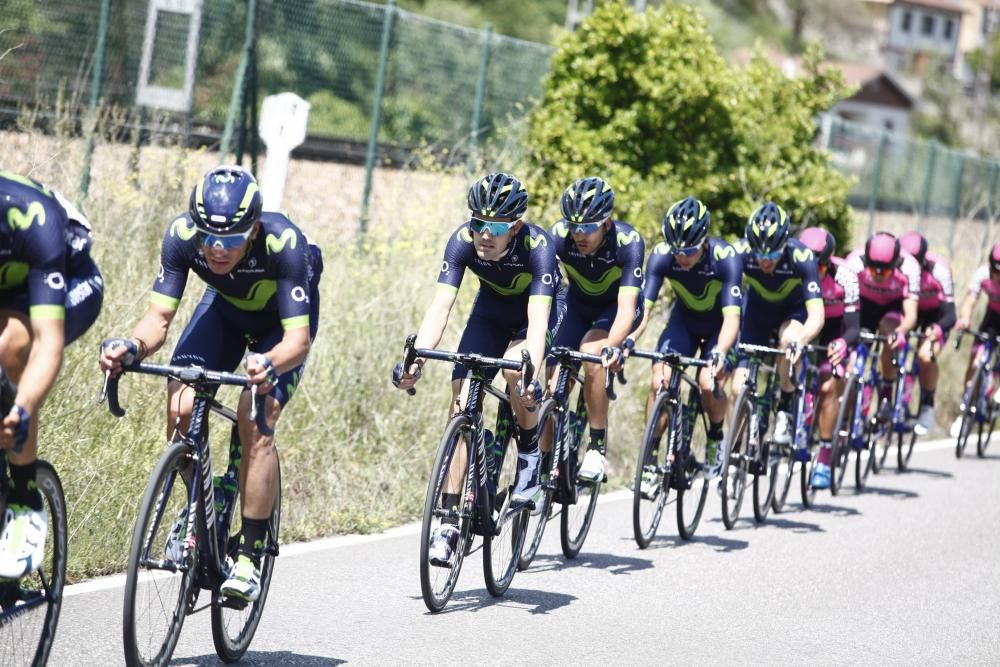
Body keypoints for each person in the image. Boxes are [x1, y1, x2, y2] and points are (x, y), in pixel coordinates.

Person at [99, 165, 322, 603]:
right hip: (223, 311)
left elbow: (298, 340)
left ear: (253, 229)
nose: (218, 249)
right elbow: (158, 319)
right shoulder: (182, 237)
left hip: (281, 326)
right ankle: (200, 507)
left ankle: (250, 556)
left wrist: (268, 363)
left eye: (232, 240)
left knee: (255, 422)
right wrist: (132, 347)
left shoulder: (285, 244)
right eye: (209, 237)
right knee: (182, 403)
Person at [394, 172, 564, 566]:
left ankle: (528, 461)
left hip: (536, 314)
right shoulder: (462, 242)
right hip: (490, 313)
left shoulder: (538, 247)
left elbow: (538, 323)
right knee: (460, 406)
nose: (484, 234)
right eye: (478, 223)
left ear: (515, 226)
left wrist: (532, 373)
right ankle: (450, 522)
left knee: (515, 374)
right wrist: (417, 356)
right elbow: (440, 307)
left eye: (496, 226)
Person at [0, 171, 104, 577]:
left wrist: (22, 408)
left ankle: (26, 501)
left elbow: (48, 343)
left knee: (13, 348)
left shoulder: (32, 217)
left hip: (69, 281)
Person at [630, 196, 741, 483]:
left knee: (708, 381)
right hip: (685, 322)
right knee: (660, 381)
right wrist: (629, 339)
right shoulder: (662, 255)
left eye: (689, 250)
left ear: (704, 241)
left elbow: (731, 319)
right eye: (677, 250)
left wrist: (720, 351)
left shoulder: (725, 258)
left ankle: (716, 438)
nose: (682, 257)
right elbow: (644, 308)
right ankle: (651, 456)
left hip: (720, 327)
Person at [547, 176, 644, 482]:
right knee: (551, 391)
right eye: (574, 226)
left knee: (592, 355)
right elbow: (545, 290)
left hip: (614, 310)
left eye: (588, 227)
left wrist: (612, 346)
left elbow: (628, 309)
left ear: (606, 223)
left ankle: (596, 448)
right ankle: (544, 468)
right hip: (577, 305)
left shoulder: (628, 243)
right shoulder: (559, 237)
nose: (579, 234)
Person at [733, 202, 824, 455]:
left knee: (787, 341)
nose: (764, 261)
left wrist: (802, 339)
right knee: (736, 389)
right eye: (759, 255)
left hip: (791, 311)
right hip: (756, 314)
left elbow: (817, 315)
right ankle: (733, 451)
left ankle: (784, 406)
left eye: (772, 255)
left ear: (784, 245)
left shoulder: (802, 257)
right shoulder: (740, 251)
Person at [797, 227, 859, 489]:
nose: (814, 273)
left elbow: (855, 326)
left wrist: (844, 343)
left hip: (835, 327)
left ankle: (823, 458)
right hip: (805, 322)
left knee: (828, 384)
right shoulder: (792, 269)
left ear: (828, 263)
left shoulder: (845, 276)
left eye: (819, 268)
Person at [844, 232, 920, 422]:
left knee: (890, 334)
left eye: (884, 272)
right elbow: (845, 306)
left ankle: (886, 393)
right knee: (853, 359)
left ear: (895, 265)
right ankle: (846, 417)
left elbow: (911, 314)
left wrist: (900, 332)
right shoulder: (854, 262)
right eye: (873, 270)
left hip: (892, 307)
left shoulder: (910, 267)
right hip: (864, 305)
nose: (878, 276)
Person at [898, 231, 955, 436]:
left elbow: (951, 314)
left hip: (936, 316)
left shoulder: (939, 270)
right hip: (909, 311)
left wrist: (938, 329)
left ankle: (927, 405)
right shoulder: (897, 267)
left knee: (924, 356)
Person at [950, 241, 1000, 436]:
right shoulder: (982, 274)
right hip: (992, 318)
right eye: (996, 273)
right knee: (975, 360)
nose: (998, 278)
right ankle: (966, 408)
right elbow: (971, 300)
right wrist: (964, 319)